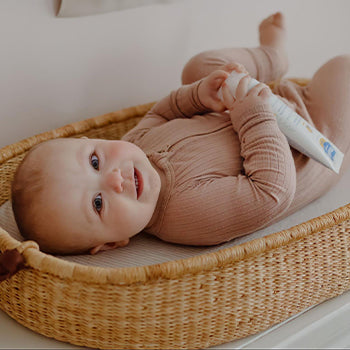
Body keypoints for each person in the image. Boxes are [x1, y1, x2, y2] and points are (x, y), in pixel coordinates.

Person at [11, 12, 350, 255]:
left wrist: (200, 94)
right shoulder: (186, 215)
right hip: (315, 136)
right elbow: (272, 191)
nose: (114, 179)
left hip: (261, 102)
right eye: (98, 203)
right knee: (342, 67)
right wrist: (253, 114)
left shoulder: (133, 146)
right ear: (114, 243)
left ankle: (273, 56)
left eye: (95, 161)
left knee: (198, 68)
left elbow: (163, 113)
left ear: (92, 142)